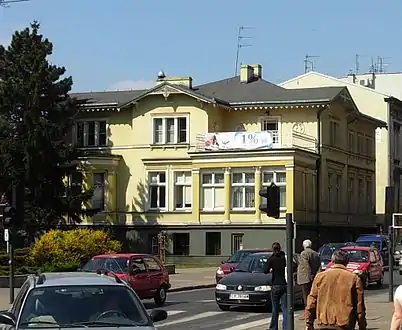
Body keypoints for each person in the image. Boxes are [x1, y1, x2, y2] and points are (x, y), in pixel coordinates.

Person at [305, 249, 367, 330]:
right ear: (347, 262)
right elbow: (359, 307)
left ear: (332, 260)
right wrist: (362, 325)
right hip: (345, 323)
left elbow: (311, 302)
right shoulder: (353, 278)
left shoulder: (320, 277)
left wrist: (309, 322)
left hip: (324, 322)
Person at [264, 242, 287, 330]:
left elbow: (264, 270)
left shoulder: (272, 259)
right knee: (285, 308)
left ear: (273, 249)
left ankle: (273, 327)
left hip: (276, 285)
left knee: (275, 308)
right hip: (284, 284)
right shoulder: (283, 257)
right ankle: (286, 327)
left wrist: (271, 268)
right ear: (280, 248)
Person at [297, 239, 321, 320]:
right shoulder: (316, 253)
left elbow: (306, 265)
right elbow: (318, 266)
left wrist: (310, 275)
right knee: (312, 296)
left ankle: (307, 313)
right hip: (313, 277)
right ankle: (313, 313)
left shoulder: (304, 253)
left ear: (304, 246)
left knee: (306, 296)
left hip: (305, 278)